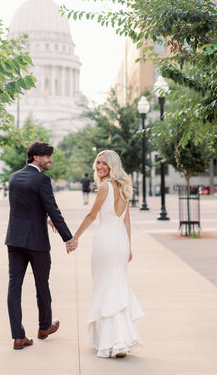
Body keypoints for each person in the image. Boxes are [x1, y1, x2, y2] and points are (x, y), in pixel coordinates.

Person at [70, 149, 144, 358]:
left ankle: (114, 342)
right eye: (98, 163)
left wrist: (75, 237)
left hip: (106, 242)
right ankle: (120, 340)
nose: (100, 166)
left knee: (105, 287)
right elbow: (127, 220)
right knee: (116, 286)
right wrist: (128, 246)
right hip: (120, 242)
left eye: (104, 163)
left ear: (113, 166)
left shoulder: (105, 187)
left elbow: (92, 214)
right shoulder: (125, 187)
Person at [5, 141, 76, 350]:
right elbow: (53, 210)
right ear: (36, 157)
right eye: (47, 156)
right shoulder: (42, 180)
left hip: (14, 239)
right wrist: (68, 238)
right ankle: (44, 327)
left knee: (14, 287)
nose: (50, 160)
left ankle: (18, 337)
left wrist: (43, 217)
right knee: (41, 284)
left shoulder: (13, 178)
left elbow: (25, 206)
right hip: (36, 241)